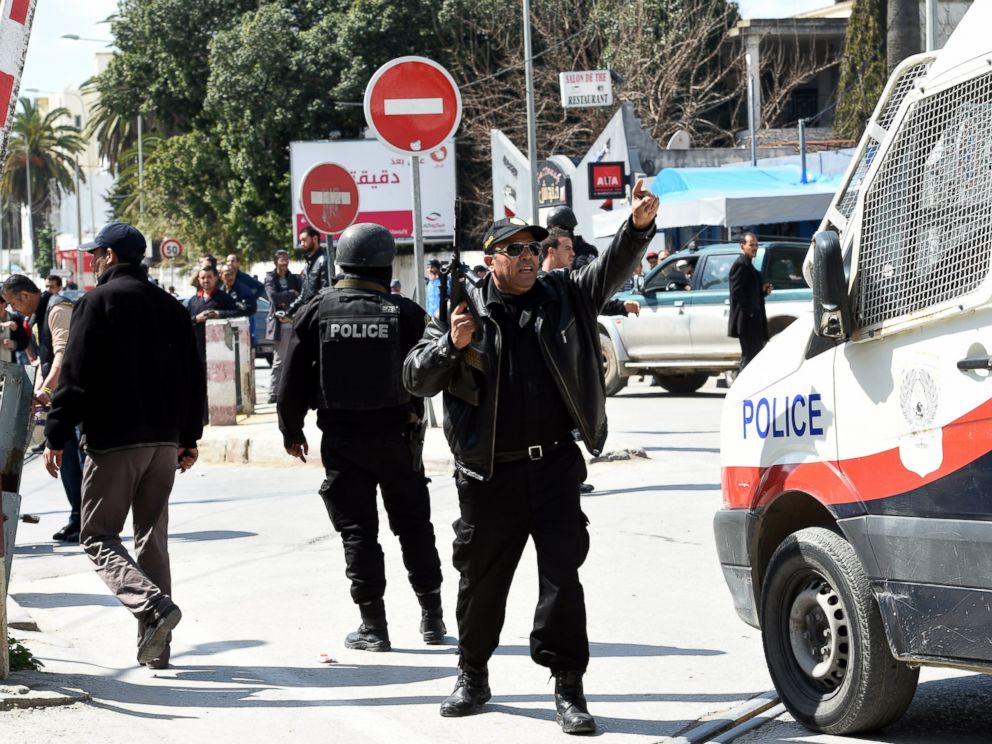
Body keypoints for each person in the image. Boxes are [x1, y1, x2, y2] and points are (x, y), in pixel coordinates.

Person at [404, 182, 659, 734]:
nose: (528, 258)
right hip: (487, 474)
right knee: (481, 583)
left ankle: (568, 686)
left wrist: (637, 227)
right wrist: (451, 344)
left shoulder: (564, 294)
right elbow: (416, 376)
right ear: (491, 259)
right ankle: (472, 673)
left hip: (554, 469)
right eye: (515, 249)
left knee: (562, 581)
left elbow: (610, 268)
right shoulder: (462, 310)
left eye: (533, 249)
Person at [41, 220, 205, 670]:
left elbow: (74, 378)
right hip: (163, 444)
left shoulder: (96, 302)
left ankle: (153, 608)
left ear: (110, 257)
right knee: (152, 539)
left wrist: (55, 436)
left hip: (114, 443)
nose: (92, 262)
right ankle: (157, 651)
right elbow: (194, 377)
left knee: (97, 536)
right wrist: (189, 437)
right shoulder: (172, 306)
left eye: (96, 255)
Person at [279, 223, 445, 652]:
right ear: (385, 264)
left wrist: (291, 430)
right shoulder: (406, 313)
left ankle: (374, 627)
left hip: (343, 441)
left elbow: (291, 377)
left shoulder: (317, 309)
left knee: (358, 533)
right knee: (414, 527)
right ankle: (433, 619)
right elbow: (435, 367)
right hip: (398, 439)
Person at [2, 274, 84, 542]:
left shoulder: (57, 308)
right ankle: (78, 518)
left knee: (82, 459)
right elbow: (43, 361)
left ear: (24, 296)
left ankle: (89, 519)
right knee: (66, 458)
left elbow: (64, 353)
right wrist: (35, 394)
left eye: (13, 303)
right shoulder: (37, 315)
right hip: (58, 397)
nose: (13, 309)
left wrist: (46, 389)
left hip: (74, 395)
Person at [728, 232, 772, 371]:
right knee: (749, 357)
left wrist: (764, 291)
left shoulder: (749, 265)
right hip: (747, 322)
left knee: (755, 357)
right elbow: (737, 292)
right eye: (751, 245)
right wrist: (751, 312)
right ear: (742, 246)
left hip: (755, 321)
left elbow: (751, 293)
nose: (754, 248)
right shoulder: (740, 264)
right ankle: (740, 389)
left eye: (756, 245)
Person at [264, 249, 302, 404]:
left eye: (287, 259)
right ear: (276, 261)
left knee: (295, 359)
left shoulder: (294, 278)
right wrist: (291, 294)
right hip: (280, 324)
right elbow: (273, 297)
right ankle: (273, 392)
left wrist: (290, 296)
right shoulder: (270, 277)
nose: (285, 262)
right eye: (281, 259)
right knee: (279, 359)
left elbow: (301, 295)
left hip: (293, 321)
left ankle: (291, 391)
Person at [286, 226, 330, 317]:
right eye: (300, 241)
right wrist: (289, 311)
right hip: (309, 313)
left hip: (319, 314)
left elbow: (326, 291)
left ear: (314, 238)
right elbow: (304, 293)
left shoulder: (324, 261)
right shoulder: (308, 263)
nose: (302, 244)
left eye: (304, 240)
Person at [546, 205, 599, 270]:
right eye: (552, 230)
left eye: (557, 230)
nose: (554, 234)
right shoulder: (547, 250)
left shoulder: (585, 251)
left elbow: (581, 272)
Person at [0, 295, 29, 364]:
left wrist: (13, 344)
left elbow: (24, 343)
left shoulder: (15, 319)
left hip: (10, 366)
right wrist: (2, 325)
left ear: (5, 304)